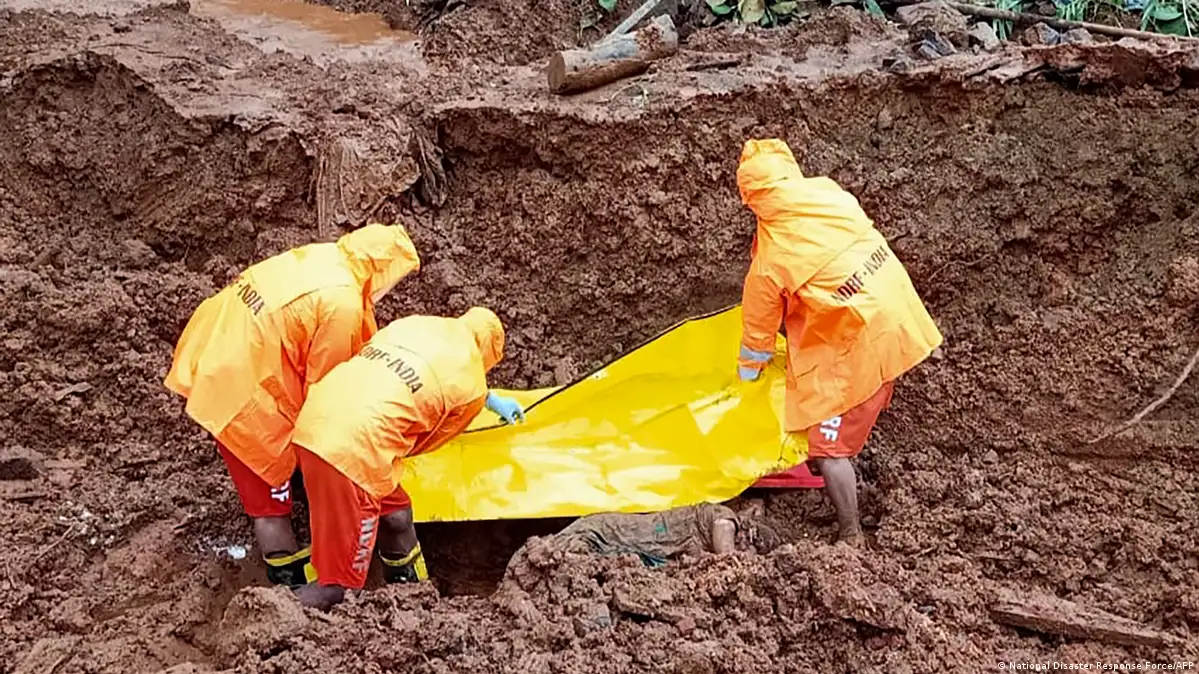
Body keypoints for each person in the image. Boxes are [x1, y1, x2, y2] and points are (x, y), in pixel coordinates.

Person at [164, 224, 421, 585]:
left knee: (273, 490)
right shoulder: (343, 304)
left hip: (214, 354)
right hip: (247, 399)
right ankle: (290, 597)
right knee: (271, 507)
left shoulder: (320, 257)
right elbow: (327, 395)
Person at [734, 138, 943, 546]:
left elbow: (757, 340)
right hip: (901, 318)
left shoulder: (771, 261)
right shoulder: (828, 194)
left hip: (861, 341)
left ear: (751, 199)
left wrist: (745, 384)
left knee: (828, 449)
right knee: (848, 401)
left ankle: (851, 535)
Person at [288, 308, 526, 610]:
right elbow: (427, 440)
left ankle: (412, 596)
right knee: (339, 587)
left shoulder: (416, 326)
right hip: (356, 450)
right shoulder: (472, 385)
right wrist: (480, 400)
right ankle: (277, 615)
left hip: (315, 420)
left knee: (397, 515)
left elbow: (408, 374)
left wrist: (489, 400)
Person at [514, 502, 783, 569]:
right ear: (749, 533)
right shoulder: (724, 519)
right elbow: (728, 559)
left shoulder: (702, 542)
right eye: (751, 545)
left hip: (624, 548)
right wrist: (749, 562)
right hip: (610, 532)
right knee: (557, 555)